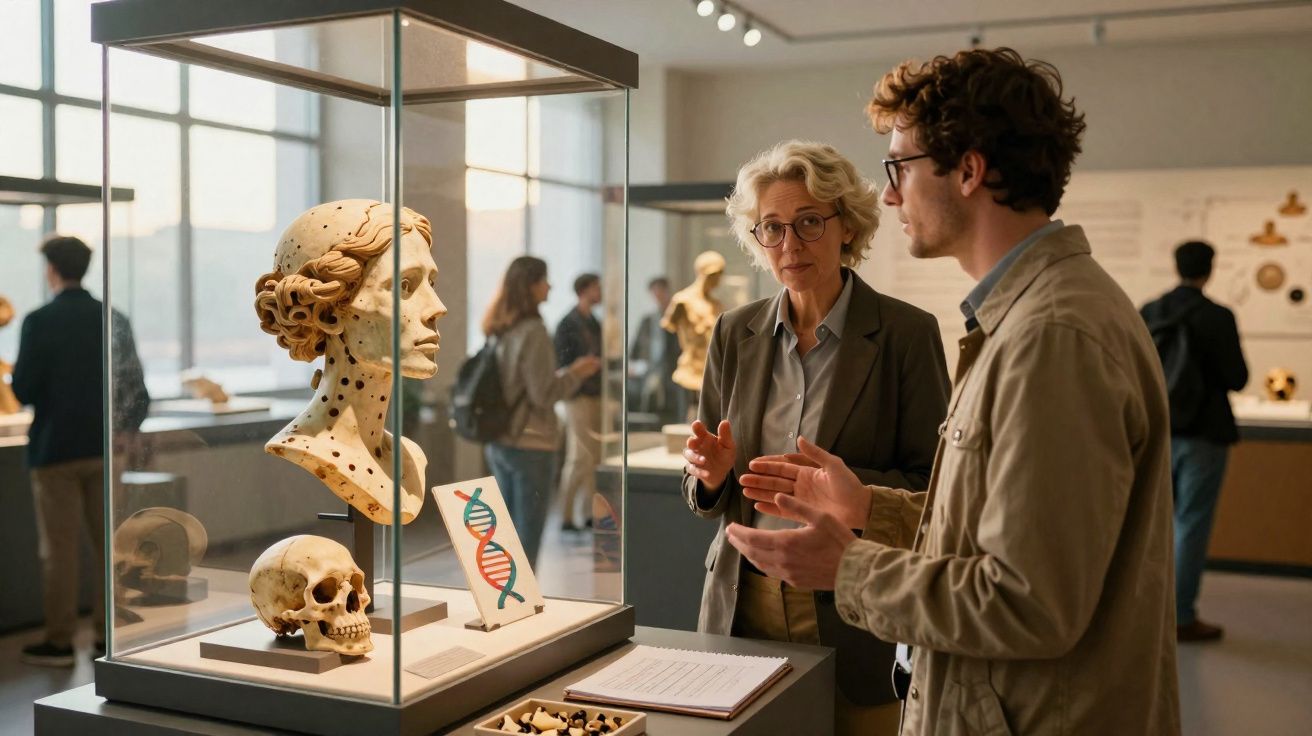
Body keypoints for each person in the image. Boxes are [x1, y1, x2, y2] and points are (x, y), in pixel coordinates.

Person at [725, 49, 1180, 734]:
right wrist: (869, 508)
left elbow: (1028, 603)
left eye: (899, 167)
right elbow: (994, 535)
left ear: (968, 171)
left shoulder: (1051, 336)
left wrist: (849, 568)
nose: (887, 195)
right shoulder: (1028, 318)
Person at [681, 139, 950, 734]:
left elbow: (937, 489)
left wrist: (847, 494)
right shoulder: (734, 332)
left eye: (807, 223)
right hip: (741, 598)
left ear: (847, 226)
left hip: (851, 604)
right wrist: (712, 476)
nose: (789, 245)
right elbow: (706, 486)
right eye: (770, 229)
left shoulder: (906, 334)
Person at [13, 234, 148, 666]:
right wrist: (126, 429)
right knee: (110, 544)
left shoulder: (38, 320)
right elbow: (135, 389)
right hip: (104, 448)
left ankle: (58, 640)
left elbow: (24, 389)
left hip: (55, 449)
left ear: (52, 269)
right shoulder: (113, 318)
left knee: (60, 550)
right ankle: (107, 636)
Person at [1141, 240, 1248, 642]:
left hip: (1157, 430)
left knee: (1152, 525)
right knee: (1192, 523)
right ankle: (1181, 615)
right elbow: (1236, 377)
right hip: (1204, 433)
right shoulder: (1218, 317)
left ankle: (1148, 612)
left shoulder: (1152, 311)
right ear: (1210, 269)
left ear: (1175, 264)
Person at [481, 256, 600, 565]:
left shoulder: (500, 325)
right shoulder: (533, 330)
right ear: (531, 285)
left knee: (504, 535)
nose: (550, 285)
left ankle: (503, 603)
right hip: (530, 444)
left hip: (500, 440)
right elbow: (544, 394)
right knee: (526, 538)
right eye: (545, 279)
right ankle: (522, 606)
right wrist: (576, 372)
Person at [554, 273, 603, 532]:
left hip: (593, 394)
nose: (601, 291)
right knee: (579, 455)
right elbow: (561, 365)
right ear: (585, 290)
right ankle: (566, 514)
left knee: (591, 456)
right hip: (576, 397)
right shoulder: (567, 324)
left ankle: (585, 513)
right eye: (597, 287)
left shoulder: (593, 322)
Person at [628, 276, 681, 423]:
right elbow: (635, 349)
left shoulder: (678, 318)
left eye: (661, 291)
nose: (658, 295)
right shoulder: (647, 321)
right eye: (654, 292)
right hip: (650, 374)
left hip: (673, 374)